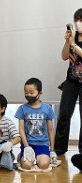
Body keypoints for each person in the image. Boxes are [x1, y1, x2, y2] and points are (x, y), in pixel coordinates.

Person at [55, 8, 82, 155]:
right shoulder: (73, 38)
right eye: (76, 20)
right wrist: (67, 42)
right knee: (64, 114)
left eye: (81, 20)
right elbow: (64, 57)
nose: (78, 23)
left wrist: (73, 45)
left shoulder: (75, 42)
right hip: (71, 81)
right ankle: (59, 149)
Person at [15, 78, 57, 171]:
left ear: (40, 93)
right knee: (26, 166)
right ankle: (22, 156)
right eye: (26, 92)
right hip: (28, 144)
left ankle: (38, 158)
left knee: (44, 165)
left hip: (42, 144)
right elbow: (21, 129)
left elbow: (51, 130)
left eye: (31, 92)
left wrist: (52, 150)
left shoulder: (47, 108)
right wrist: (26, 147)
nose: (28, 95)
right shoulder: (22, 108)